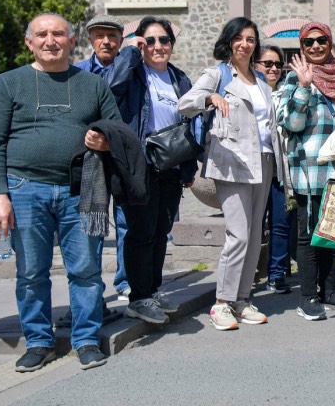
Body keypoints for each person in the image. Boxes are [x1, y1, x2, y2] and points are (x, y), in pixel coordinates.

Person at [0, 12, 120, 372]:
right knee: (31, 271)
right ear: (29, 42)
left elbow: (118, 131)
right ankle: (39, 341)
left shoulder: (92, 84)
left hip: (84, 189)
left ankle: (87, 339)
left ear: (71, 41)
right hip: (24, 189)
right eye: (41, 34)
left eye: (58, 33)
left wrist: (105, 140)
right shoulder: (9, 83)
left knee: (87, 269)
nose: (50, 40)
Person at [179, 17, 280, 330]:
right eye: (238, 38)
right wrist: (210, 97)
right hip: (232, 161)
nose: (245, 44)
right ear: (229, 41)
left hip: (263, 160)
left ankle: (242, 298)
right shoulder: (218, 74)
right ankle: (222, 302)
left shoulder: (261, 82)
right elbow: (185, 103)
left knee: (253, 237)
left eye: (250, 39)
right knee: (238, 233)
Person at [104, 17, 197, 325]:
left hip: (169, 164)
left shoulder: (178, 77)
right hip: (139, 164)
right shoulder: (133, 73)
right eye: (151, 40)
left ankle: (152, 290)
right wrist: (130, 52)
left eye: (164, 40)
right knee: (140, 232)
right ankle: (138, 297)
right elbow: (110, 86)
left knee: (160, 232)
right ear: (141, 43)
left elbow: (190, 124)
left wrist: (189, 166)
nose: (158, 46)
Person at [276, 22, 335, 320]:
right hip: (310, 170)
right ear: (302, 47)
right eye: (309, 42)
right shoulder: (293, 80)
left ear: (330, 41)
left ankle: (330, 290)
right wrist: (302, 86)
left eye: (321, 40)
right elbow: (292, 125)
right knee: (309, 235)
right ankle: (308, 296)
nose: (315, 47)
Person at [74, 14, 130, 301]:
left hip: (122, 156)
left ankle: (125, 282)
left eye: (112, 36)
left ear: (121, 40)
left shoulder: (133, 69)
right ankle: (91, 286)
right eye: (99, 35)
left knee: (125, 221)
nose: (106, 41)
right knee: (93, 222)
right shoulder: (78, 72)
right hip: (91, 158)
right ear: (90, 39)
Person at [256, 44, 295, 293]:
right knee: (253, 225)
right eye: (267, 64)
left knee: (281, 223)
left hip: (281, 167)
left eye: (278, 65)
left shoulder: (286, 93)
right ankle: (248, 273)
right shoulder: (251, 92)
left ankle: (277, 273)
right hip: (255, 167)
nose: (274, 69)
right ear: (255, 65)